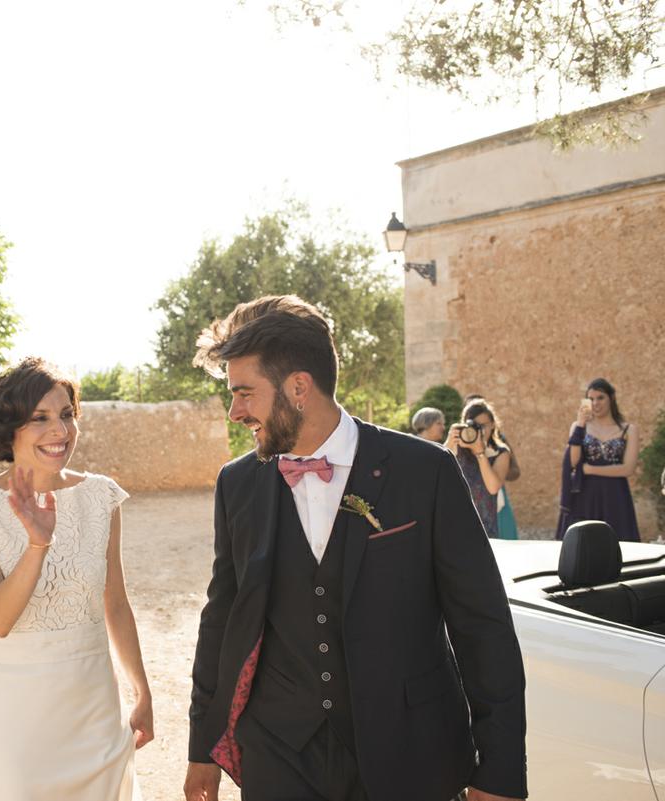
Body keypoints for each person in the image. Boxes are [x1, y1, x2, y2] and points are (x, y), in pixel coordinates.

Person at [182, 295, 526, 801]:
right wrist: (200, 747)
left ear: (298, 387)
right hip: (278, 755)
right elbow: (223, 617)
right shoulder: (238, 484)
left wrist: (499, 772)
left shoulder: (424, 471)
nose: (235, 412)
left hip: (411, 754)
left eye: (244, 393)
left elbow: (483, 624)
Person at [0, 357, 152, 800]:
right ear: (9, 428)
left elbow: (115, 602)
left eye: (66, 415)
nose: (60, 430)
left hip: (94, 712)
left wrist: (142, 691)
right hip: (17, 720)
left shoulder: (101, 496)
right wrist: (37, 545)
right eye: (40, 418)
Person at [556, 377, 641, 542]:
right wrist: (581, 424)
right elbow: (573, 462)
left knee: (619, 546)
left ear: (612, 398)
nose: (595, 403)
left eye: (600, 398)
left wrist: (590, 469)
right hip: (585, 496)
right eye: (591, 399)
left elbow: (627, 469)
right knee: (584, 548)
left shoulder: (629, 430)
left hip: (616, 496)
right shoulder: (578, 427)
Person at [445, 399, 512, 539]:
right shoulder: (458, 447)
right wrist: (449, 441)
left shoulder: (500, 452)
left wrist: (480, 453)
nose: (479, 430)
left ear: (493, 425)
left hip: (485, 525)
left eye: (483, 425)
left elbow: (493, 487)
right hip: (455, 521)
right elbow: (438, 469)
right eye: (474, 425)